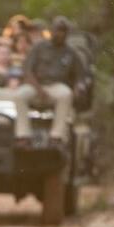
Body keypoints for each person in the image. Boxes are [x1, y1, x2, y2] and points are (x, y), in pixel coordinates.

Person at [14, 16, 85, 149]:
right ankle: (23, 135)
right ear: (52, 31)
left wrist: (78, 88)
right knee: (20, 95)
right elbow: (27, 70)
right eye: (57, 30)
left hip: (56, 86)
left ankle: (56, 136)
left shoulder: (70, 53)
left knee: (66, 94)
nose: (60, 34)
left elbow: (80, 76)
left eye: (63, 31)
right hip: (36, 85)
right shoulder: (39, 47)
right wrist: (39, 89)